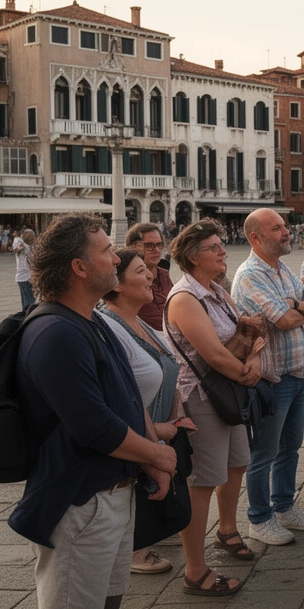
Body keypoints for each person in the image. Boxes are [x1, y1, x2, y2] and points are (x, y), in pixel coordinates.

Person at [8, 213, 176, 609]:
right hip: (82, 502)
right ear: (79, 268)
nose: (116, 260)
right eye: (106, 252)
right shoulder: (55, 332)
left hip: (114, 493)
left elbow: (126, 394)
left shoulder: (93, 321)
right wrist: (157, 453)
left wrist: (150, 455)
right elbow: (94, 425)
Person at [167, 220, 267, 594]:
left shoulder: (217, 291)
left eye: (221, 244)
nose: (223, 250)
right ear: (194, 257)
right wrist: (247, 372)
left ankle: (226, 530)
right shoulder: (184, 299)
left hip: (230, 390)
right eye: (214, 246)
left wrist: (253, 364)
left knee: (238, 461)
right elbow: (211, 355)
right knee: (202, 482)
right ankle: (195, 570)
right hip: (203, 397)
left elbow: (249, 330)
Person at [97, 248, 194, 578]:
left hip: (158, 432)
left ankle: (134, 545)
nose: (152, 275)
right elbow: (115, 398)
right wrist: (157, 429)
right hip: (137, 440)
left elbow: (170, 369)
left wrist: (177, 418)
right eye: (141, 271)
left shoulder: (141, 324)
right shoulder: (109, 328)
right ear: (118, 283)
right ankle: (132, 549)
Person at [231, 208, 304, 546]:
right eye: (277, 228)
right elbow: (284, 320)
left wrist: (294, 306)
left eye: (285, 226)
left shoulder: (283, 268)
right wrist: (295, 307)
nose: (286, 232)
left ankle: (284, 506)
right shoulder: (250, 275)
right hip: (273, 379)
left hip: (299, 372)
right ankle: (259, 517)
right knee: (264, 452)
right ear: (256, 238)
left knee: (290, 447)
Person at [126, 223, 172, 331]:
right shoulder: (128, 280)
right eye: (149, 245)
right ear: (132, 247)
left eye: (159, 245)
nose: (156, 250)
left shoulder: (164, 275)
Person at [14, 229, 36, 310]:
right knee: (30, 299)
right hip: (30, 275)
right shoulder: (31, 247)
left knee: (27, 300)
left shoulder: (25, 246)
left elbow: (16, 249)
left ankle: (27, 317)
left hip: (23, 277)